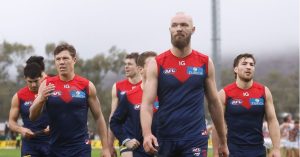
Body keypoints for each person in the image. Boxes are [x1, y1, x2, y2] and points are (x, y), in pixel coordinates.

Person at [140, 12, 229, 157]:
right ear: (170, 30)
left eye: (184, 25)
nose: (179, 28)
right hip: (165, 137)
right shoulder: (157, 63)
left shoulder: (205, 62)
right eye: (174, 25)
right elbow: (147, 104)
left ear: (193, 29)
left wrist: (223, 141)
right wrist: (147, 133)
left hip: (195, 137)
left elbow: (214, 103)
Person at [29, 43, 110, 157]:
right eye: (58, 59)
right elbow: (32, 116)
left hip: (81, 147)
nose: (61, 62)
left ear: (74, 60)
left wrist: (105, 148)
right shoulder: (46, 84)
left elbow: (99, 117)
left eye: (65, 58)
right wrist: (41, 98)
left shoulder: (86, 85)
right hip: (54, 148)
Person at [212, 53, 281, 157]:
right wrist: (216, 152)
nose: (248, 67)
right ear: (235, 69)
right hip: (232, 151)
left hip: (258, 151)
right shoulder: (224, 93)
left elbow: (272, 121)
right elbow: (217, 124)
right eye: (244, 64)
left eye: (251, 64)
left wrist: (276, 148)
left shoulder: (264, 91)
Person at [110, 51, 158, 157]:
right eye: (152, 64)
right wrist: (126, 140)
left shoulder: (166, 94)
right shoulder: (129, 96)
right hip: (138, 150)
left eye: (157, 64)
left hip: (163, 149)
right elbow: (114, 121)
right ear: (141, 69)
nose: (156, 67)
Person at [8, 62, 50, 156]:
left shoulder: (50, 92)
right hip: (30, 144)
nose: (34, 85)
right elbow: (11, 122)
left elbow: (64, 114)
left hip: (51, 142)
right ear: (25, 78)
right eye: (30, 81)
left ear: (42, 78)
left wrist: (55, 126)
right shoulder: (18, 96)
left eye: (36, 81)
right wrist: (21, 130)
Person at [108, 52, 142, 157]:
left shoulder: (148, 86)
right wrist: (109, 145)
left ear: (139, 67)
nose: (126, 67)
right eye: (125, 64)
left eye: (130, 64)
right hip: (127, 137)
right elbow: (113, 116)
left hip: (147, 136)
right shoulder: (118, 87)